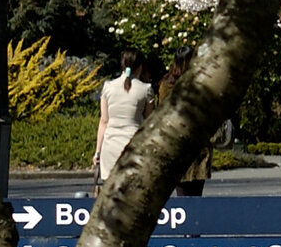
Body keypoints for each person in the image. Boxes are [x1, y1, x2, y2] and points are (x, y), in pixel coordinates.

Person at [157, 48, 224, 197]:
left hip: (177, 144)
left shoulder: (166, 85)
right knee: (196, 195)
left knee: (182, 194)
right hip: (196, 144)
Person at [93, 48, 153, 191]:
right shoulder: (146, 89)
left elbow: (104, 121)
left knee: (110, 193)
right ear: (140, 67)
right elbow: (150, 121)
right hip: (134, 145)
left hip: (110, 146)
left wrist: (97, 152)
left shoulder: (108, 87)